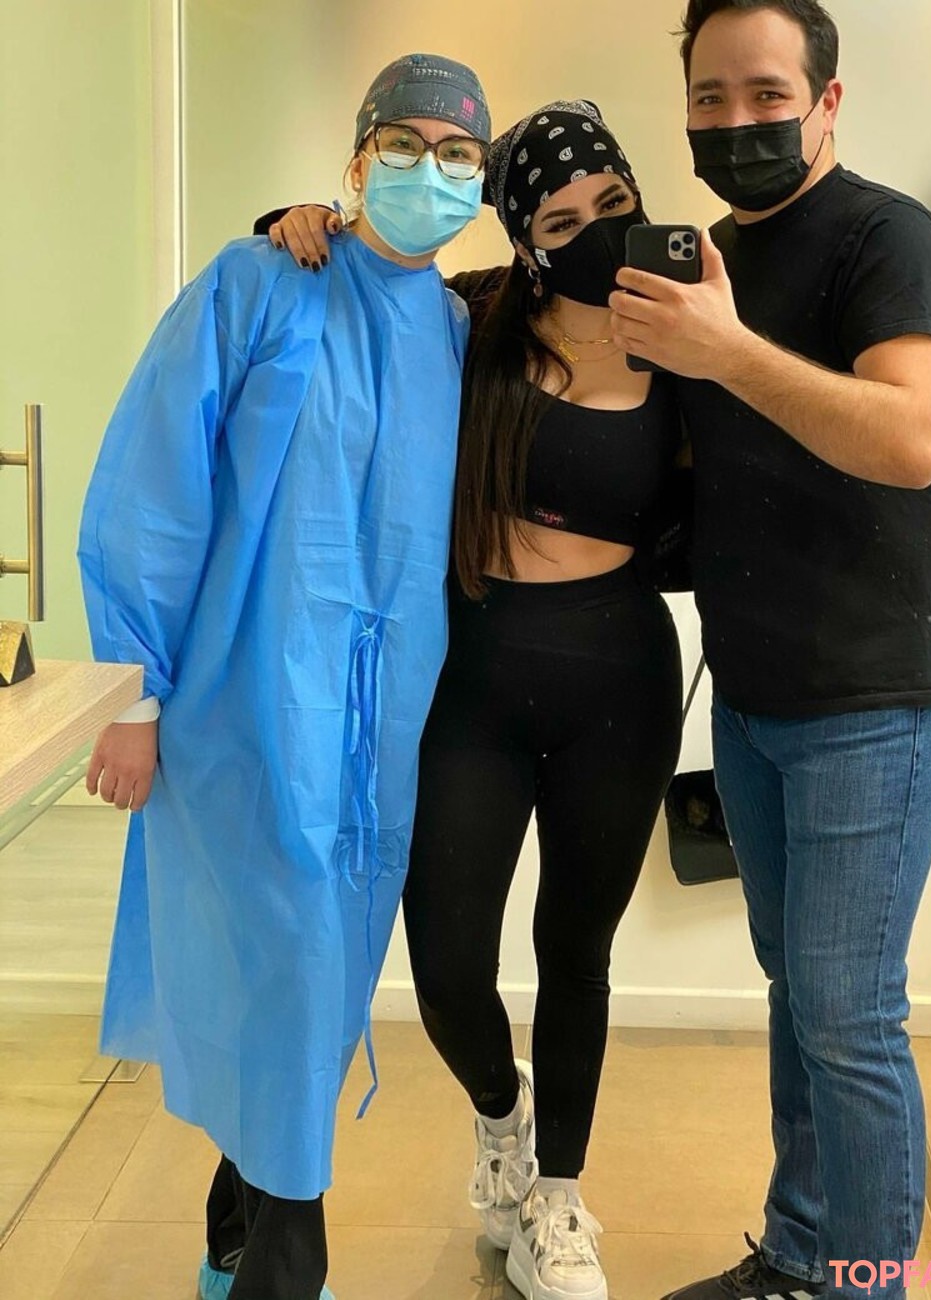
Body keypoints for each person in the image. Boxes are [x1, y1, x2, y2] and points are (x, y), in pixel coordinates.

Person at [78, 52, 491, 1300]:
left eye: (458, 155)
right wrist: (135, 695)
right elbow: (150, 489)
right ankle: (282, 1262)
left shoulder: (461, 331)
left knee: (305, 993)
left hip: (385, 733)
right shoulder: (261, 283)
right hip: (239, 718)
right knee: (278, 979)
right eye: (404, 145)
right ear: (357, 160)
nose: (430, 171)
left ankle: (230, 1237)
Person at [262, 100, 686, 1300]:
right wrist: (299, 223)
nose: (596, 232)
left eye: (614, 203)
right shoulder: (473, 318)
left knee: (575, 950)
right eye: (562, 220)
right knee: (447, 961)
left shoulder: (682, 337)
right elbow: (364, 293)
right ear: (525, 238)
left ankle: (558, 1201)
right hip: (474, 672)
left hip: (619, 676)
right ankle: (503, 1122)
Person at [607, 3, 931, 1299]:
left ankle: (864, 1283)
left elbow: (910, 439)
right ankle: (802, 1251)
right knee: (797, 994)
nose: (736, 121)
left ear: (827, 103)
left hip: (874, 696)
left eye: (766, 94)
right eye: (708, 98)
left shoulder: (888, 239)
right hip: (755, 692)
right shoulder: (707, 259)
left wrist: (725, 353)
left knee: (849, 1012)